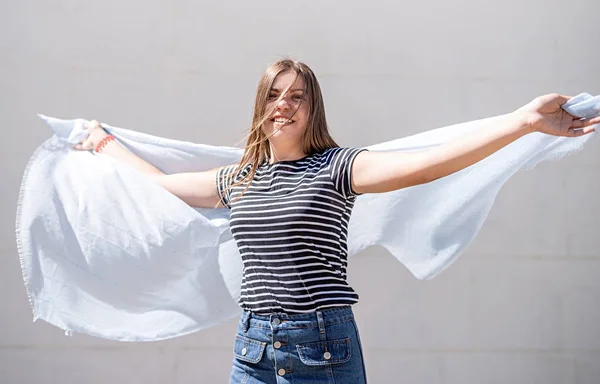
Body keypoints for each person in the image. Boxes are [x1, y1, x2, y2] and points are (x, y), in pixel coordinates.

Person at [74, 59, 598, 383]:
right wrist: (103, 144)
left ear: (312, 109)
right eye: (274, 95)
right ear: (261, 107)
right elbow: (161, 188)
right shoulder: (239, 179)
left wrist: (521, 122)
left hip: (320, 347)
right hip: (252, 347)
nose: (284, 105)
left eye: (296, 96)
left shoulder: (338, 167)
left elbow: (430, 161)